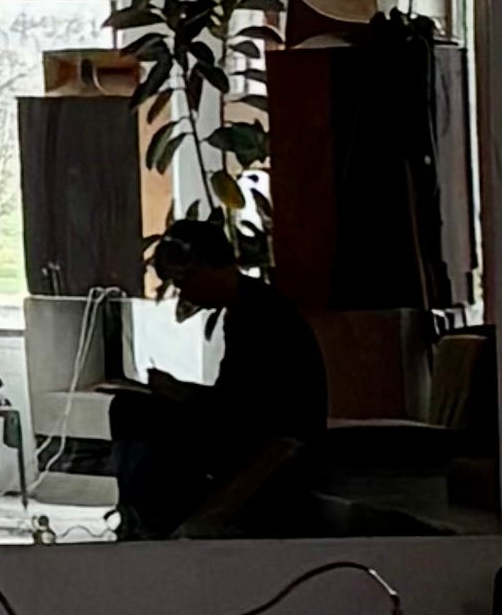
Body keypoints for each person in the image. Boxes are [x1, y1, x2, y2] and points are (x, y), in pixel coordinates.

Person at [102, 218, 331, 536]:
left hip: (278, 438)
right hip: (260, 426)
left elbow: (243, 407)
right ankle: (142, 518)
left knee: (137, 415)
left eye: (183, 283)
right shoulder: (248, 307)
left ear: (201, 269)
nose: (184, 294)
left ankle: (152, 522)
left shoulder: (259, 315)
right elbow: (236, 397)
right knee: (133, 409)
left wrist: (182, 393)